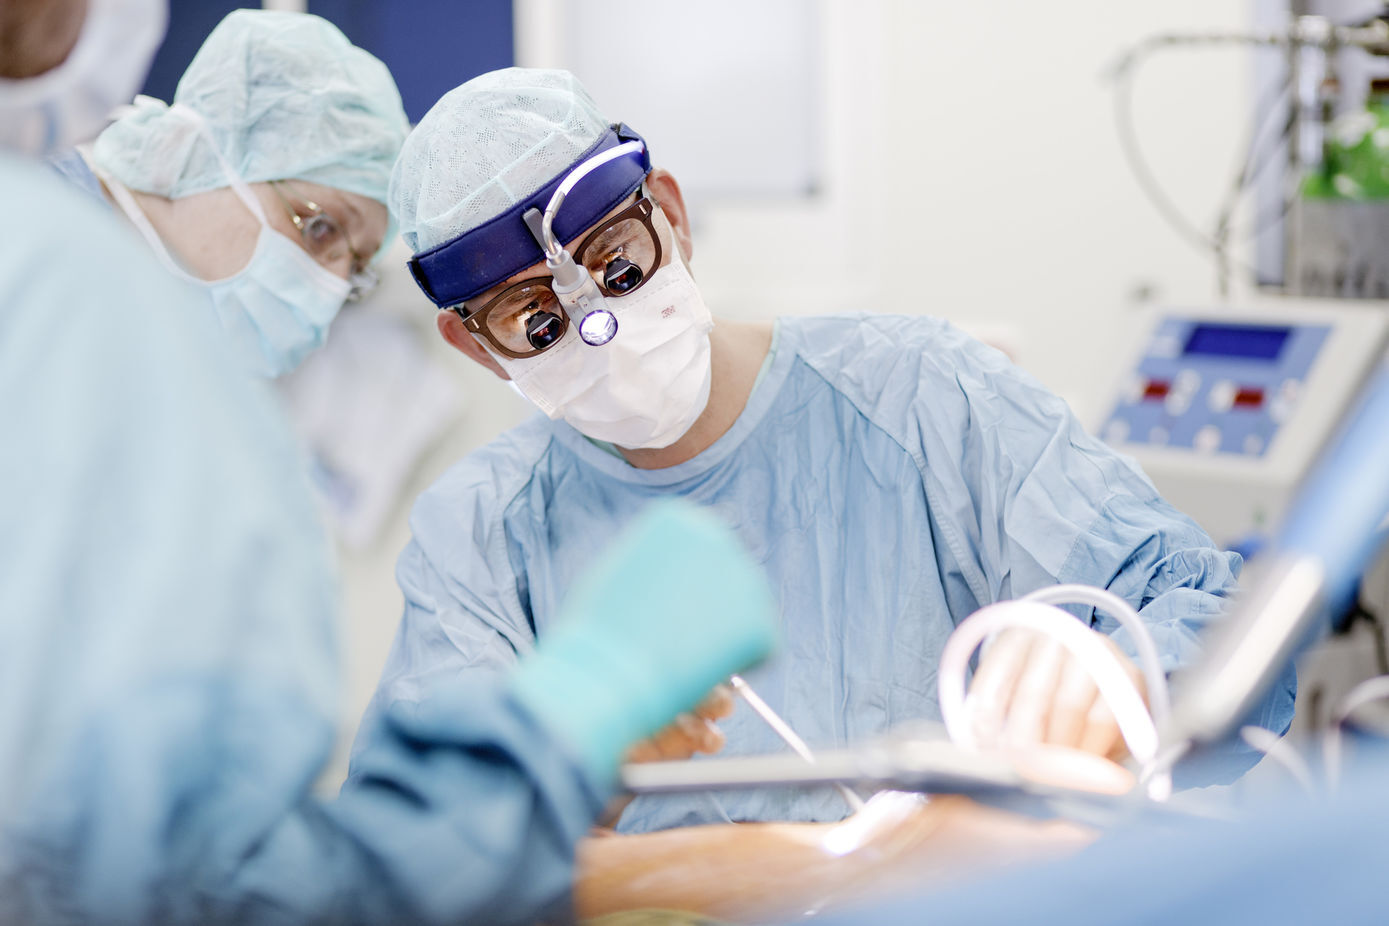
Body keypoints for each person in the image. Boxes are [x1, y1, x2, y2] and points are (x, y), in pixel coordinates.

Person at [358, 66, 1298, 835]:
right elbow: (429, 851)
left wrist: (1120, 679)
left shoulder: (922, 395)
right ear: (475, 347)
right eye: (536, 318)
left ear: (671, 216)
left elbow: (1220, 624)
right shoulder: (480, 537)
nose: (599, 325)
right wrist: (586, 769)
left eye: (617, 265)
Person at [0, 3, 776, 922]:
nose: (325, 292)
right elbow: (205, 886)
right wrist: (564, 730)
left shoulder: (118, 352)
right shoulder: (53, 307)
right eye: (316, 228)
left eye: (355, 266)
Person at [52, 8, 409, 378]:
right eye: (321, 229)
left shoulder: (172, 363)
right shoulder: (36, 231)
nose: (333, 288)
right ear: (206, 158)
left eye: (356, 270)